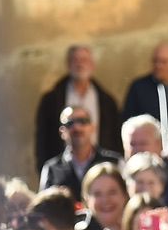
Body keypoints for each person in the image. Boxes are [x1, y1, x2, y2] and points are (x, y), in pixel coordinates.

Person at [34, 44, 120, 172]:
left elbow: (115, 136)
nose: (80, 64)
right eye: (75, 60)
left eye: (84, 60)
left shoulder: (106, 101)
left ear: (92, 65)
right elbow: (42, 139)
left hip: (101, 167)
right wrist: (46, 169)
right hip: (65, 168)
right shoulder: (51, 100)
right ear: (68, 65)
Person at [39, 105, 123, 194]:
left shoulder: (114, 162)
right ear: (62, 132)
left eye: (82, 121)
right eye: (70, 123)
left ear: (93, 127)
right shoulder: (52, 168)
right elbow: (45, 205)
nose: (77, 127)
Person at [121, 42, 168, 126]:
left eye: (164, 62)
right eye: (155, 61)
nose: (159, 66)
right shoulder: (138, 88)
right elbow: (129, 120)